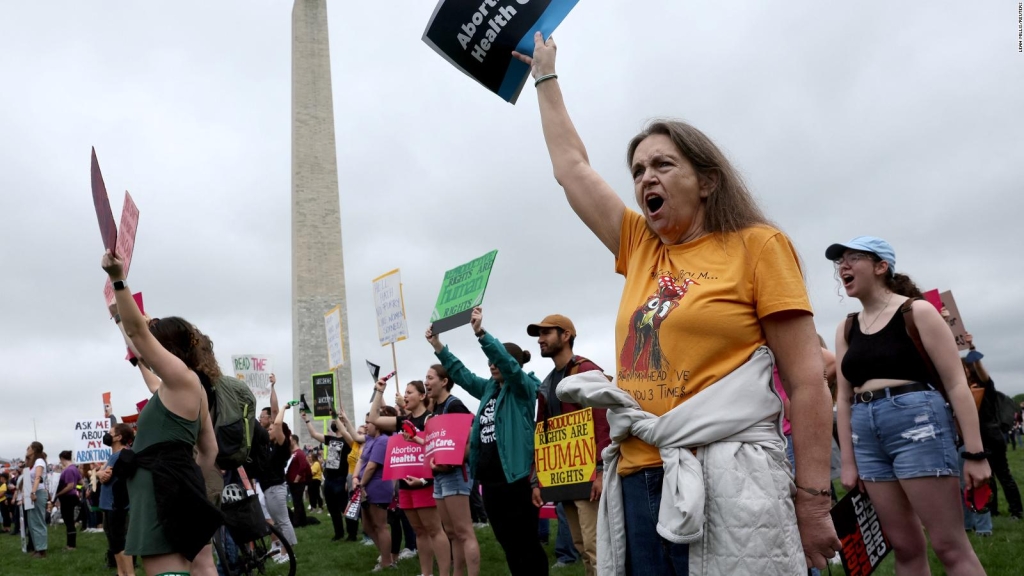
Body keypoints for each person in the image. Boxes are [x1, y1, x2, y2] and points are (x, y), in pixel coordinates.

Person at [513, 34, 840, 575]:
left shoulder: (757, 245)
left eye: (662, 165)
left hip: (726, 475)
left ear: (707, 180)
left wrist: (812, 500)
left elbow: (807, 383)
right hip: (641, 475)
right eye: (638, 170)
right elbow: (572, 168)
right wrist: (545, 77)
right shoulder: (640, 245)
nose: (646, 178)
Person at [827, 236, 989, 574]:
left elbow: (957, 383)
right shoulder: (846, 327)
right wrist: (848, 463)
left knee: (948, 545)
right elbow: (843, 397)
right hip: (865, 435)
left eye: (852, 258)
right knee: (905, 546)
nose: (842, 266)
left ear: (881, 266)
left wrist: (975, 454)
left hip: (919, 423)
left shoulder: (917, 311)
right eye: (839, 261)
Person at [102, 249, 223, 575]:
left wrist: (118, 278)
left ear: (167, 349)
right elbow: (209, 449)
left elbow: (140, 336)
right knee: (201, 568)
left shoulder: (183, 381)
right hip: (174, 488)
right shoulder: (180, 388)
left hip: (163, 495)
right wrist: (119, 318)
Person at [429, 307, 548, 576]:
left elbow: (506, 364)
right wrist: (438, 345)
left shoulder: (523, 389)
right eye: (489, 363)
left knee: (526, 543)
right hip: (490, 480)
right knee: (508, 543)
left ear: (512, 364)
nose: (492, 365)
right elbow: (461, 374)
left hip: (516, 479)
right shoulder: (489, 389)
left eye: (497, 361)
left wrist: (481, 334)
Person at [527, 314, 610, 576]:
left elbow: (602, 421)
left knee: (597, 546)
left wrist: (601, 469)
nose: (540, 339)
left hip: (589, 474)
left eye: (546, 333)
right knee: (581, 545)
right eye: (539, 334)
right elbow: (543, 433)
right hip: (563, 475)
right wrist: (537, 479)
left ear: (566, 336)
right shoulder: (548, 382)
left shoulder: (586, 371)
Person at [370, 378, 450, 576]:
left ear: (422, 396)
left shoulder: (431, 419)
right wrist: (379, 392)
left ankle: (445, 573)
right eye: (404, 392)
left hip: (427, 483)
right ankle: (426, 573)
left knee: (434, 530)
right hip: (406, 485)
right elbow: (374, 419)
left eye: (410, 392)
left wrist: (425, 480)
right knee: (420, 532)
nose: (405, 396)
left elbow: (439, 453)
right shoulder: (402, 422)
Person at [420, 362, 480, 576]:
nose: (426, 382)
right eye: (425, 378)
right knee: (452, 533)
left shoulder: (454, 405)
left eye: (430, 378)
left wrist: (452, 460)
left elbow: (472, 436)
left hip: (456, 474)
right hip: (440, 476)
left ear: (444, 381)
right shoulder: (435, 409)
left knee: (464, 532)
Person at [962, 334, 1022, 519]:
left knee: (1003, 473)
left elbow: (981, 369)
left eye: (963, 367)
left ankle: (1016, 511)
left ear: (969, 369)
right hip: (976, 436)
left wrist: (972, 348)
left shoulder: (984, 386)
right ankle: (992, 510)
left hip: (990, 433)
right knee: (987, 477)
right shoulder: (959, 390)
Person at [356, 407, 398, 571]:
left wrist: (361, 484)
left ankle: (387, 561)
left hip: (377, 486)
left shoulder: (382, 441)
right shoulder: (373, 439)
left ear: (379, 425)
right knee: (367, 526)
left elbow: (372, 466)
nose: (366, 426)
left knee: (380, 525)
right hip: (368, 486)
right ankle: (385, 555)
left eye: (370, 423)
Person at [301, 410, 354, 541]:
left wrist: (339, 417)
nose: (333, 422)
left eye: (336, 421)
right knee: (332, 509)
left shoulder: (348, 440)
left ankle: (352, 534)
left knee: (345, 508)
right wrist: (307, 420)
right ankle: (338, 533)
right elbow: (313, 434)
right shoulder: (330, 439)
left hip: (341, 479)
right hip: (329, 479)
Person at [99, 423, 136, 576]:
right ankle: (121, 572)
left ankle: (129, 573)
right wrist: (99, 473)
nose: (107, 435)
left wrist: (100, 473)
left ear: (119, 437)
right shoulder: (113, 456)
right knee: (114, 542)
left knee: (120, 541)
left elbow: (105, 476)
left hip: (117, 504)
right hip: (109, 505)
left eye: (110, 433)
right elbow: (101, 473)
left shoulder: (124, 454)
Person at [24, 442, 49, 558]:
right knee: (32, 522)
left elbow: (38, 477)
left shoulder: (39, 461)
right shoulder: (32, 462)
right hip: (32, 492)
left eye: (29, 447)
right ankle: (37, 546)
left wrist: (33, 492)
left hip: (37, 492)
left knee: (38, 521)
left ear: (34, 449)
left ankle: (42, 549)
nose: (27, 449)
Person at [53, 451, 82, 550]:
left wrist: (58, 493)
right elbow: (81, 482)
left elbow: (69, 486)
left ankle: (71, 545)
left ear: (62, 458)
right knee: (69, 521)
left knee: (69, 521)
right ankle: (70, 544)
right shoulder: (75, 469)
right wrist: (77, 490)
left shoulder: (68, 470)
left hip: (68, 498)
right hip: (72, 497)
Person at [285, 434, 311, 528]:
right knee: (298, 501)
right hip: (291, 481)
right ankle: (302, 520)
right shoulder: (292, 453)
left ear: (295, 441)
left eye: (290, 440)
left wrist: (297, 478)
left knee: (297, 502)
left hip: (298, 482)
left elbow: (303, 466)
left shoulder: (299, 453)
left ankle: (296, 522)